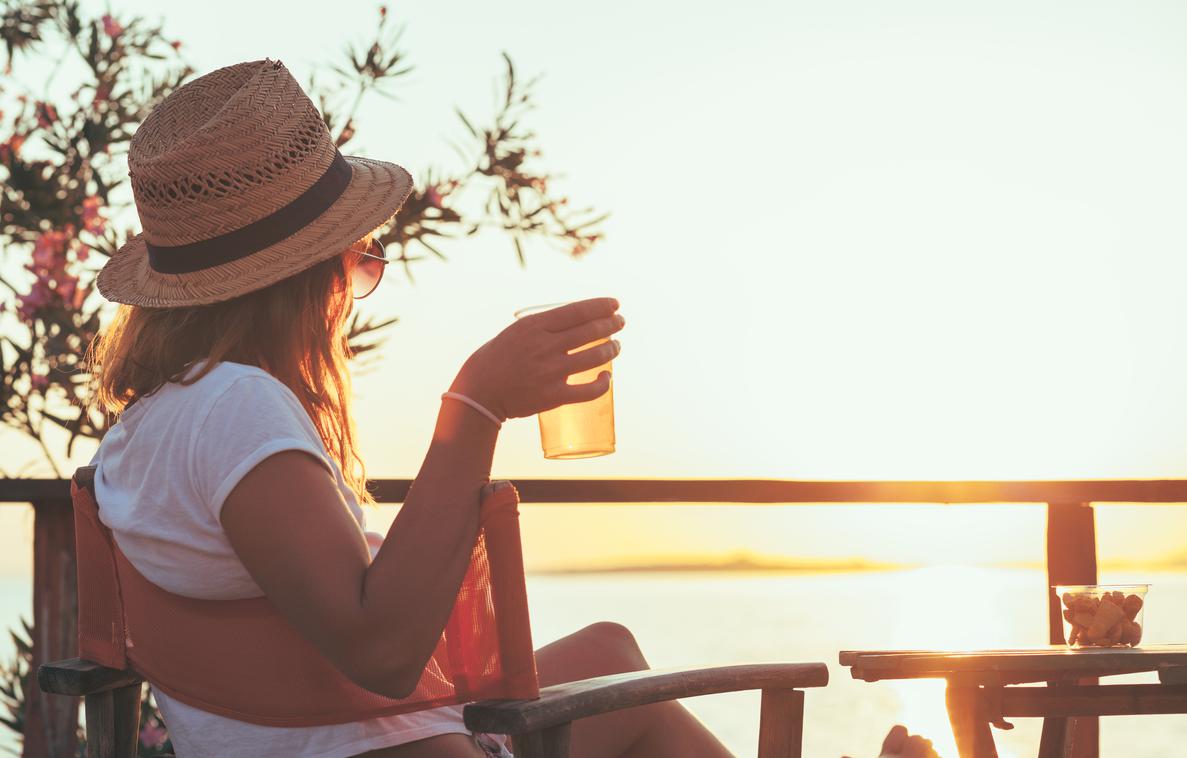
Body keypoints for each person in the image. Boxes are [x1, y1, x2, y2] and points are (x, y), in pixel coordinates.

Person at [87, 58, 938, 758]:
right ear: (300, 283)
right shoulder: (240, 408)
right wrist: (476, 406)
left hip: (321, 736)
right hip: (378, 749)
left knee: (607, 649)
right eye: (351, 270)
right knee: (636, 702)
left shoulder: (148, 429)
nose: (350, 300)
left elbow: (319, 638)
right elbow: (381, 651)